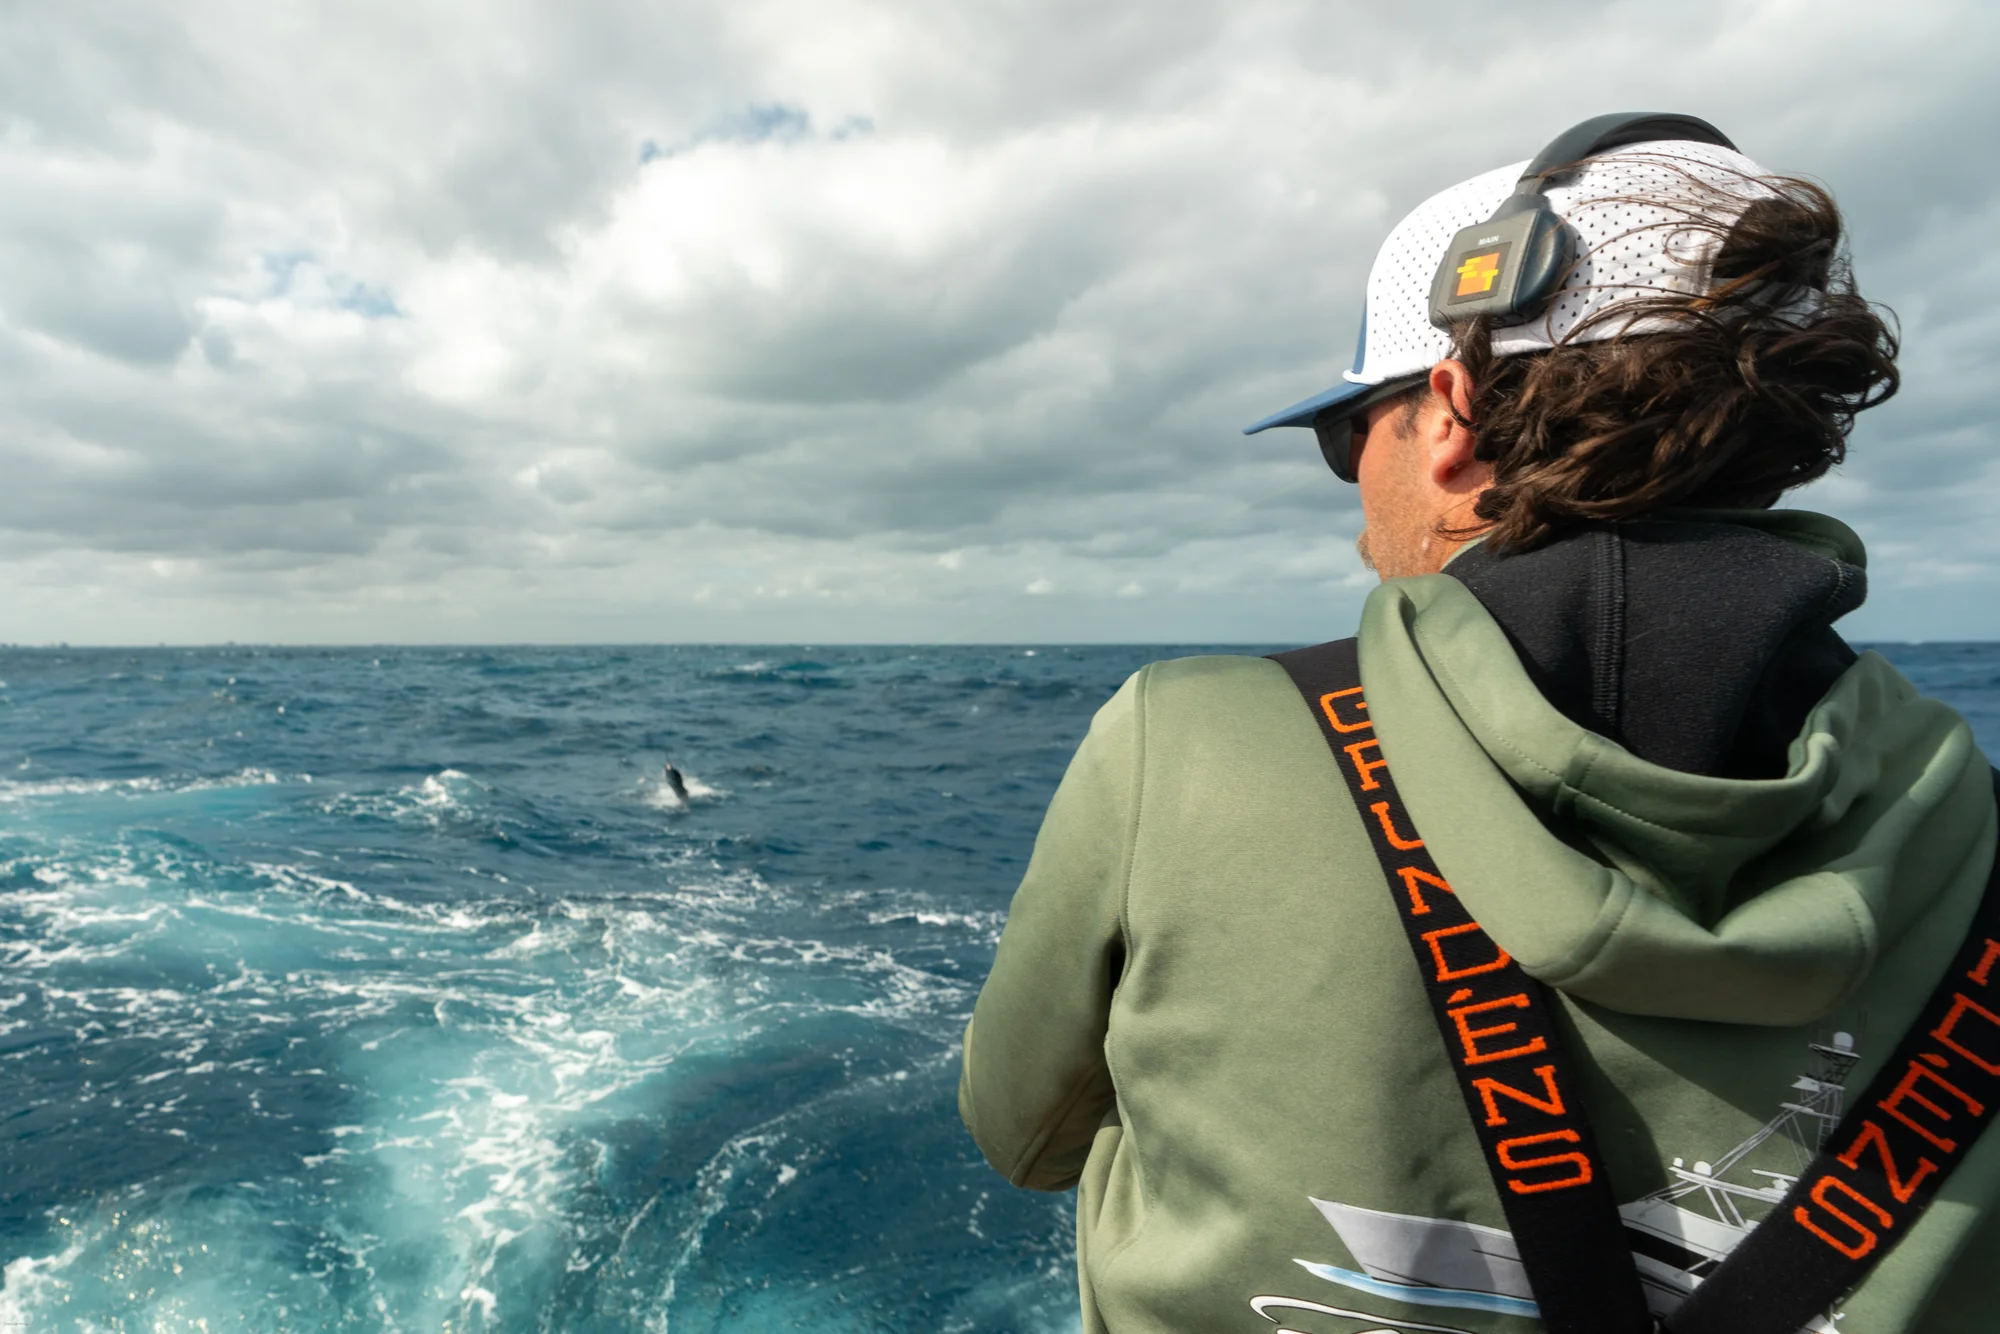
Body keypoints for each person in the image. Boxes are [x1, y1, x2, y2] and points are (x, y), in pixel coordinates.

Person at [958, 114, 1999, 1334]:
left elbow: (1020, 1131)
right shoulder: (1976, 820)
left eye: (1350, 432)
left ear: (1451, 409)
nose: (1353, 496)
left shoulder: (1176, 742)